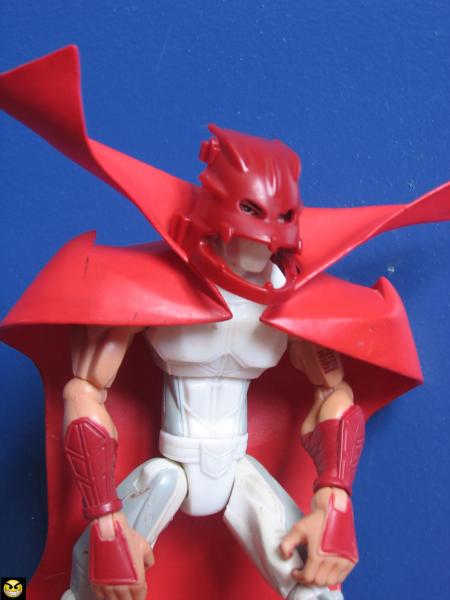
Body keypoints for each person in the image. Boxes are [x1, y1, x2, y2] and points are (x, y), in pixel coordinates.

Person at [1, 46, 449, 600]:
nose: (254, 260)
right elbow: (84, 393)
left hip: (238, 472)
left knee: (317, 586)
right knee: (96, 579)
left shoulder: (289, 307)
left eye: (270, 243)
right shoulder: (153, 290)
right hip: (166, 471)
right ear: (214, 220)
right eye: (246, 237)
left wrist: (335, 504)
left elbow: (333, 395)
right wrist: (106, 522)